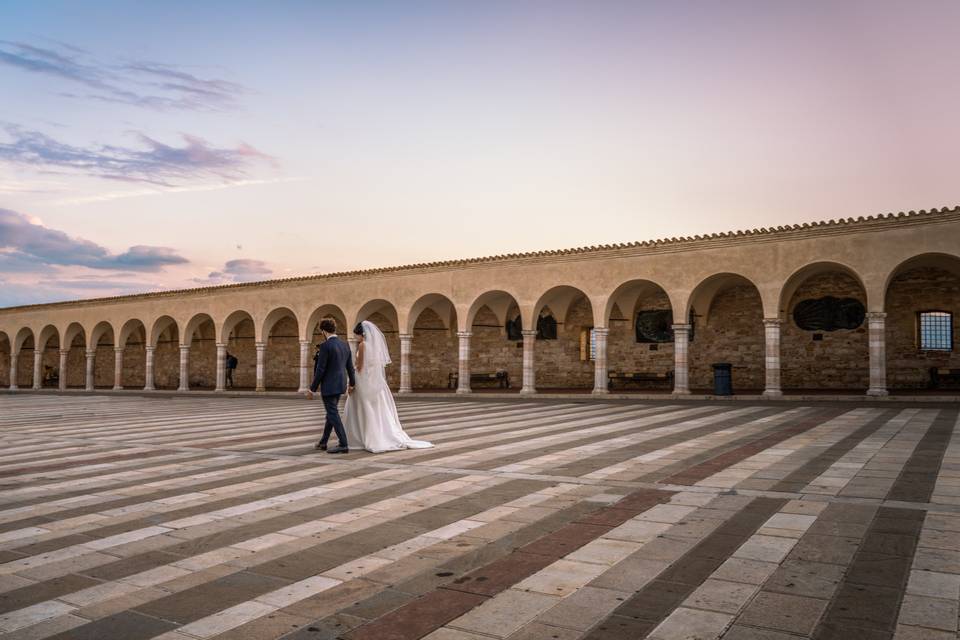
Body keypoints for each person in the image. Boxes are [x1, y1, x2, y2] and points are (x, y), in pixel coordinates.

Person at [343, 321, 433, 453]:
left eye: (356, 335)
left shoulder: (363, 345)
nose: (355, 338)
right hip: (373, 380)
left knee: (362, 407)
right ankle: (377, 434)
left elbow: (360, 366)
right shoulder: (374, 347)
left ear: (361, 334)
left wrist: (351, 379)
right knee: (374, 408)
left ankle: (362, 437)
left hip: (362, 380)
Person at [306, 319, 355, 454]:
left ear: (323, 331)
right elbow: (350, 367)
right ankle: (323, 442)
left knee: (333, 413)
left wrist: (312, 389)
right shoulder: (345, 345)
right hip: (340, 384)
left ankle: (343, 444)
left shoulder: (326, 346)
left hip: (329, 385)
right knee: (331, 413)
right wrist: (352, 383)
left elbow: (320, 370)